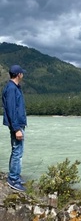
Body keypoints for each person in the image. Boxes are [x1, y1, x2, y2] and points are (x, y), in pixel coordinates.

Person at [2, 64, 27, 192]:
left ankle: (15, 174)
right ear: (18, 75)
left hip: (18, 124)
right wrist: (17, 128)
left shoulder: (15, 87)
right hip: (16, 125)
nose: (23, 75)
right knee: (17, 152)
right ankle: (13, 179)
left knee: (17, 151)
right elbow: (11, 110)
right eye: (22, 73)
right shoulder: (12, 89)